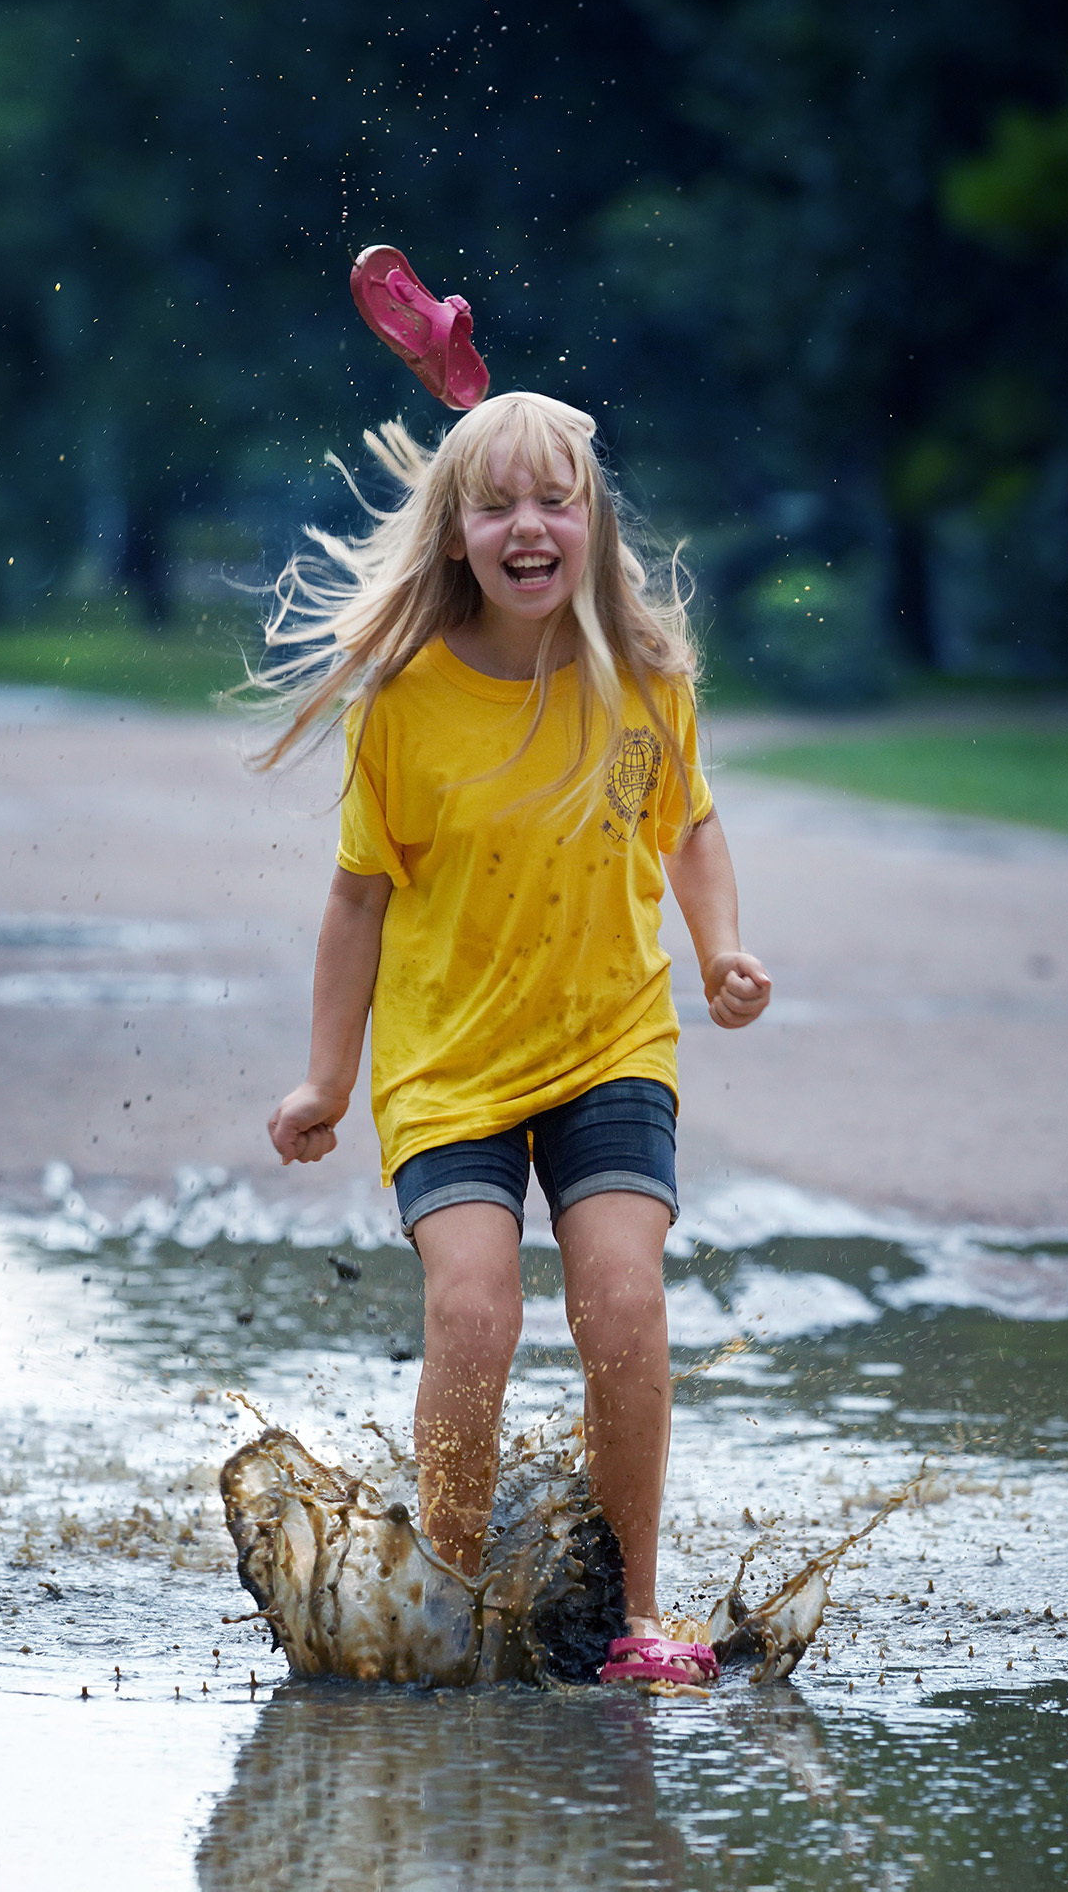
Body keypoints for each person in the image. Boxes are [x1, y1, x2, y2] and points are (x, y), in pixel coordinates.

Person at [256, 390, 771, 1685]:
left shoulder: (646, 678)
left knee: (624, 1303)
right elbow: (356, 898)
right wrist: (326, 1078)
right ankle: (454, 1596)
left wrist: (720, 951)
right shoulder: (406, 703)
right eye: (498, 505)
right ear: (455, 537)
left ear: (593, 524)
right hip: (449, 1065)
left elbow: (691, 826)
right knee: (475, 1310)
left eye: (557, 499)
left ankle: (634, 1614)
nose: (529, 525)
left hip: (609, 1042)